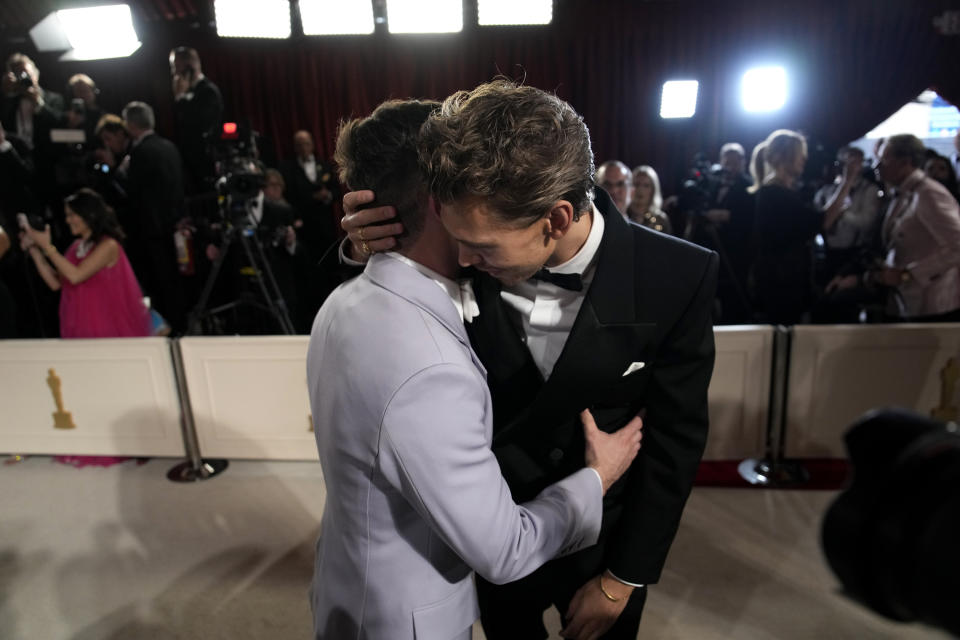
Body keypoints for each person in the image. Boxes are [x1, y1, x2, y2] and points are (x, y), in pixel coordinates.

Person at [342, 79, 718, 640]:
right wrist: (367, 245)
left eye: (484, 248)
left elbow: (675, 444)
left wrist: (623, 579)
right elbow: (390, 306)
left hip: (604, 540)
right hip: (493, 528)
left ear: (557, 219)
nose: (462, 258)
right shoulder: (470, 234)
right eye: (456, 238)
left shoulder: (678, 275)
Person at [828, 134, 960, 321]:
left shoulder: (928, 193)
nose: (876, 166)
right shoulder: (904, 192)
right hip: (908, 300)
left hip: (933, 303)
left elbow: (957, 246)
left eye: (883, 160)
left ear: (905, 162)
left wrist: (909, 274)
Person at [20, 188, 150, 338]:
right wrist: (35, 251)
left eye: (72, 215)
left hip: (105, 323)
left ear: (90, 215)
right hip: (77, 321)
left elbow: (76, 275)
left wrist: (47, 247)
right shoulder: (75, 247)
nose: (67, 220)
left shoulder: (108, 245)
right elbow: (56, 283)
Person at [751, 129, 848, 324]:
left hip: (783, 280)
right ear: (785, 158)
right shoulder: (776, 194)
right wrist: (848, 180)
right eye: (800, 155)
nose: (804, 160)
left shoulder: (778, 192)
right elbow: (821, 221)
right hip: (782, 283)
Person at [121, 101, 186, 332]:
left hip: (149, 232)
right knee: (174, 283)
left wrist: (118, 173)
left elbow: (133, 194)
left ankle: (166, 330)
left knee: (159, 285)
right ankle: (180, 326)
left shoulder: (140, 153)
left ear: (130, 124)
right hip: (174, 227)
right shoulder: (170, 147)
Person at [169, 46, 223, 193]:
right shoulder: (188, 92)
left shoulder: (207, 91)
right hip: (190, 162)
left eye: (176, 67)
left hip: (205, 161)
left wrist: (181, 98)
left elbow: (201, 124)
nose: (174, 72)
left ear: (189, 67)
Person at [626, 165, 672, 233]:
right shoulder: (623, 213)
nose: (640, 189)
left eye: (646, 185)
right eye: (636, 184)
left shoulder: (660, 220)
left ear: (653, 190)